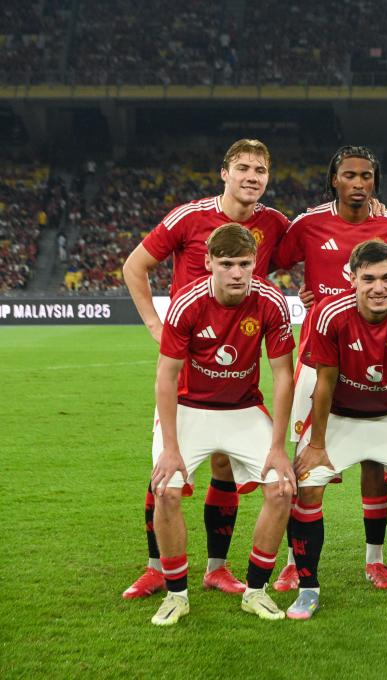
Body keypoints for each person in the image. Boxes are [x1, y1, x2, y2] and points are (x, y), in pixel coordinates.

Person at [122, 139, 289, 599]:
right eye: (243, 168)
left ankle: (218, 568)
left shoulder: (275, 224)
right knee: (165, 471)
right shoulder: (189, 217)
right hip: (186, 367)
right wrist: (155, 324)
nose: (251, 177)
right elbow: (135, 266)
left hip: (236, 374)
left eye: (260, 170)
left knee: (224, 467)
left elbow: (316, 249)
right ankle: (157, 568)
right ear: (224, 173)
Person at [272, 146, 387, 592]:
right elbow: (273, 261)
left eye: (366, 176)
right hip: (317, 358)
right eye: (349, 175)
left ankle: (376, 561)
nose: (358, 183)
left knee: (374, 462)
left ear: (375, 181)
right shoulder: (308, 224)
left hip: (377, 359)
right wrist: (304, 292)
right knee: (304, 462)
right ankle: (295, 562)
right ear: (334, 178)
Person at [148, 224, 295, 625]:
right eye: (227, 264)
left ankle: (256, 591)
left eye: (244, 264)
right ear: (208, 262)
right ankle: (176, 595)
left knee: (282, 489)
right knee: (166, 490)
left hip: (243, 408)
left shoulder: (271, 301)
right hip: (188, 406)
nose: (236, 273)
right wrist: (171, 449)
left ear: (255, 263)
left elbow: (283, 376)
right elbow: (166, 376)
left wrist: (279, 448)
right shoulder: (187, 303)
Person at [289, 240, 387, 618]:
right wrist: (317, 445)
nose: (379, 287)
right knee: (309, 484)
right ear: (353, 279)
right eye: (369, 279)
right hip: (340, 418)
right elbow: (324, 384)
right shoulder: (330, 313)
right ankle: (307, 590)